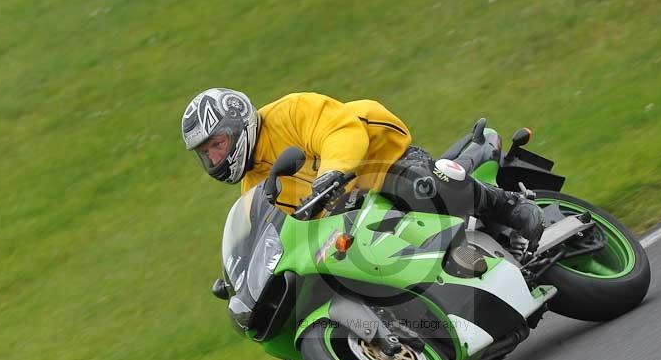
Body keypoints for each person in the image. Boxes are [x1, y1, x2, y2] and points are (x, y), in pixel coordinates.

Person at [181, 88, 544, 250]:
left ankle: (508, 205)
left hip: (381, 158)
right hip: (352, 209)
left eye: (217, 144)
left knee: (417, 185)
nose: (214, 157)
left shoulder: (288, 112)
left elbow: (338, 131)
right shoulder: (255, 186)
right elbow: (277, 231)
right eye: (206, 153)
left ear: (237, 124)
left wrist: (333, 171)